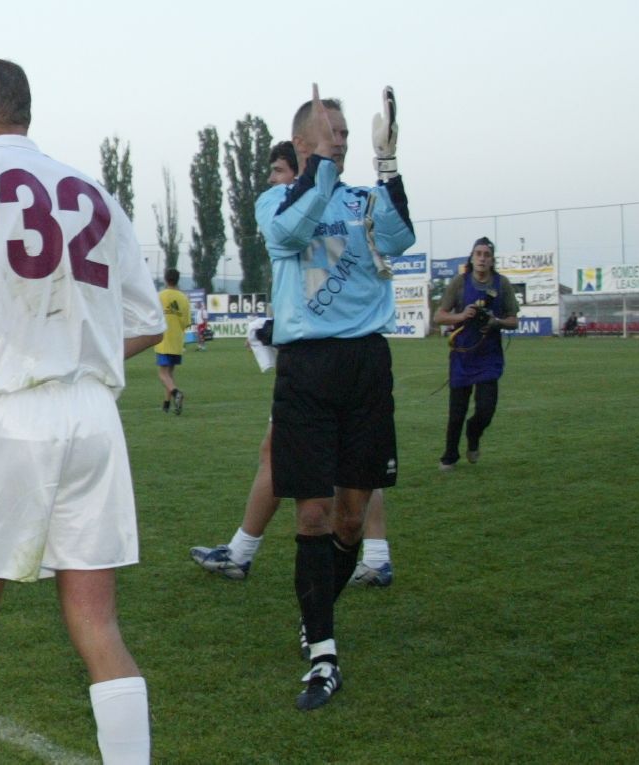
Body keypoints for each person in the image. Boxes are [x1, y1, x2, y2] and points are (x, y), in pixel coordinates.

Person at [0, 57, 165, 764]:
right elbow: (145, 321)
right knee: (97, 621)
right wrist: (70, 346)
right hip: (92, 418)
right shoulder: (92, 188)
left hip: (4, 410)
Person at [254, 84, 414, 710]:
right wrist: (318, 170)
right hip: (307, 367)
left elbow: (398, 240)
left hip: (366, 365)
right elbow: (291, 235)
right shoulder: (278, 199)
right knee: (313, 514)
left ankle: (316, 612)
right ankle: (323, 653)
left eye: (348, 133)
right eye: (333, 132)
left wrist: (390, 165)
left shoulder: (362, 197)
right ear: (303, 142)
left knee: (351, 516)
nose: (342, 140)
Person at [191, 139, 395, 589]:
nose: (272, 180)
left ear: (302, 167)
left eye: (279, 170)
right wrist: (273, 327)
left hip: (326, 364)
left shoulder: (335, 210)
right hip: (322, 360)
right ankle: (373, 553)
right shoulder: (291, 211)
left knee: (338, 468)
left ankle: (245, 553)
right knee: (347, 464)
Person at [432, 237, 519, 470]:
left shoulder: (503, 284)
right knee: (456, 412)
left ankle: (474, 433)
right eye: (478, 253)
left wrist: (495, 322)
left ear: (492, 260)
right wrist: (461, 316)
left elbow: (514, 321)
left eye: (486, 255)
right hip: (462, 355)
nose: (482, 258)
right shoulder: (459, 283)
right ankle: (449, 455)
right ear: (472, 258)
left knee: (486, 410)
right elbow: (439, 316)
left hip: (489, 356)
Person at [156, 268, 191, 414]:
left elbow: (154, 316)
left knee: (163, 374)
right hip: (177, 340)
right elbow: (186, 322)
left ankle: (176, 393)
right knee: (170, 374)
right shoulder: (183, 298)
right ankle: (167, 404)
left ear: (165, 279)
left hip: (164, 340)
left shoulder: (160, 296)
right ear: (178, 279)